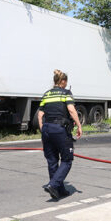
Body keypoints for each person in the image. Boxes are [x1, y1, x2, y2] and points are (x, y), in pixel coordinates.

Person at [38, 69, 82, 200]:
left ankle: (59, 190)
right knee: (67, 160)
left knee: (52, 161)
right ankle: (53, 184)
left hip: (46, 129)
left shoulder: (46, 94)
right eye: (66, 82)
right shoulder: (66, 93)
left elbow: (40, 114)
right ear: (62, 81)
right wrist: (79, 125)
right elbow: (71, 110)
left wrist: (43, 130)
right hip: (59, 129)